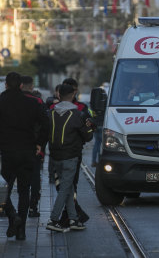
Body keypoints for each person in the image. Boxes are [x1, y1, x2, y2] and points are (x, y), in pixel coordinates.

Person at [0, 72, 50, 241]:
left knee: (4, 189)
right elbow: (47, 124)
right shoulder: (31, 103)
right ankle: (21, 230)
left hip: (7, 152)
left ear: (6, 85)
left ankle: (12, 215)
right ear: (21, 85)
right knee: (24, 191)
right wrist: (40, 143)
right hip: (27, 151)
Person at [46, 83, 94, 233]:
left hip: (54, 156)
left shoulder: (51, 113)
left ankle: (73, 219)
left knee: (68, 186)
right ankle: (54, 219)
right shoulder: (77, 115)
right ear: (73, 95)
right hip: (71, 156)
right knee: (66, 188)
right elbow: (88, 136)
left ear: (58, 95)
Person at [57, 78, 95, 227]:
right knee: (64, 185)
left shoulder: (82, 108)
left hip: (74, 151)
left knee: (71, 185)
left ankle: (68, 215)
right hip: (62, 151)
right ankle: (71, 214)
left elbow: (89, 125)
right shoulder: (56, 107)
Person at [21, 75, 47, 218]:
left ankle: (11, 208)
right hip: (32, 147)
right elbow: (45, 125)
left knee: (16, 179)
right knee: (34, 179)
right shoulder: (37, 102)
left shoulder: (10, 101)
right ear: (31, 86)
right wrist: (40, 145)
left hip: (14, 147)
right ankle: (32, 206)